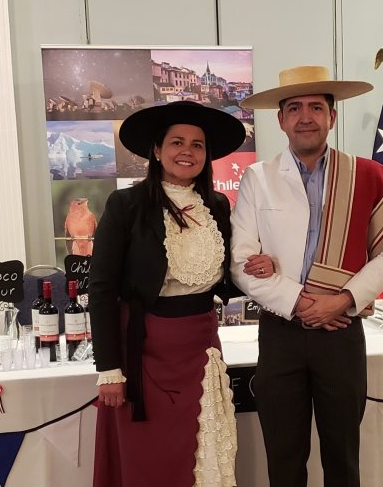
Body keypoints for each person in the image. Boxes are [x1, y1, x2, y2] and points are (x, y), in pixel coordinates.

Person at [230, 65, 383, 487]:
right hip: (281, 333)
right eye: (294, 108)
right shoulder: (258, 178)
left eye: (316, 107)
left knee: (343, 455)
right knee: (284, 457)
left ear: (332, 116)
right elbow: (241, 262)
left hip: (340, 331)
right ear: (281, 120)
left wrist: (342, 301)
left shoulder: (366, 176)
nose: (305, 117)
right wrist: (300, 302)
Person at [89, 100, 249, 487]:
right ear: (157, 151)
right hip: (143, 350)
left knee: (200, 446)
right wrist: (109, 369)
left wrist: (258, 266)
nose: (187, 152)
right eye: (177, 142)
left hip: (201, 345)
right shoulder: (126, 204)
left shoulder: (217, 205)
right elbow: (102, 287)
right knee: (150, 455)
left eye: (197, 145)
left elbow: (229, 271)